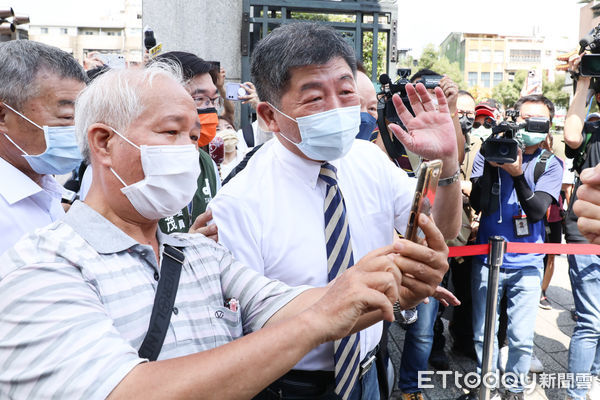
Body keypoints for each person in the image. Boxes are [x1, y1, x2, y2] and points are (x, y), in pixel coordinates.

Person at [0, 62, 450, 400]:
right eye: (171, 132)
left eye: (193, 137)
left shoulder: (198, 255)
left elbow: (294, 305)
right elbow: (129, 391)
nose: (188, 154)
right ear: (104, 142)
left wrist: (386, 285)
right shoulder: (42, 267)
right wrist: (321, 319)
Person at [209, 22, 461, 400]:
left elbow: (438, 230)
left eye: (346, 92)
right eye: (314, 99)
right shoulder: (238, 200)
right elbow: (249, 324)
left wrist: (446, 165)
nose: (338, 110)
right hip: (288, 386)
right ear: (269, 115)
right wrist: (393, 299)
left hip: (369, 373)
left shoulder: (368, 161)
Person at [465, 95, 563, 400]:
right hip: (486, 259)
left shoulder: (551, 163)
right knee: (483, 335)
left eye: (538, 121)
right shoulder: (490, 151)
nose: (528, 125)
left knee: (520, 338)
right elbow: (478, 203)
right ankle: (487, 387)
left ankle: (515, 389)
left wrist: (517, 173)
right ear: (513, 119)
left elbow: (536, 212)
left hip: (527, 263)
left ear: (547, 127)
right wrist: (491, 163)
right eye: (524, 119)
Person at [0, 40, 87, 255]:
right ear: (3, 116)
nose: (80, 130)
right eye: (67, 117)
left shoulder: (48, 189)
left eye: (85, 116)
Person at [561, 53, 600, 400]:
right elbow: (572, 136)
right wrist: (584, 80)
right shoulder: (591, 123)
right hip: (586, 229)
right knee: (592, 320)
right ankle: (576, 393)